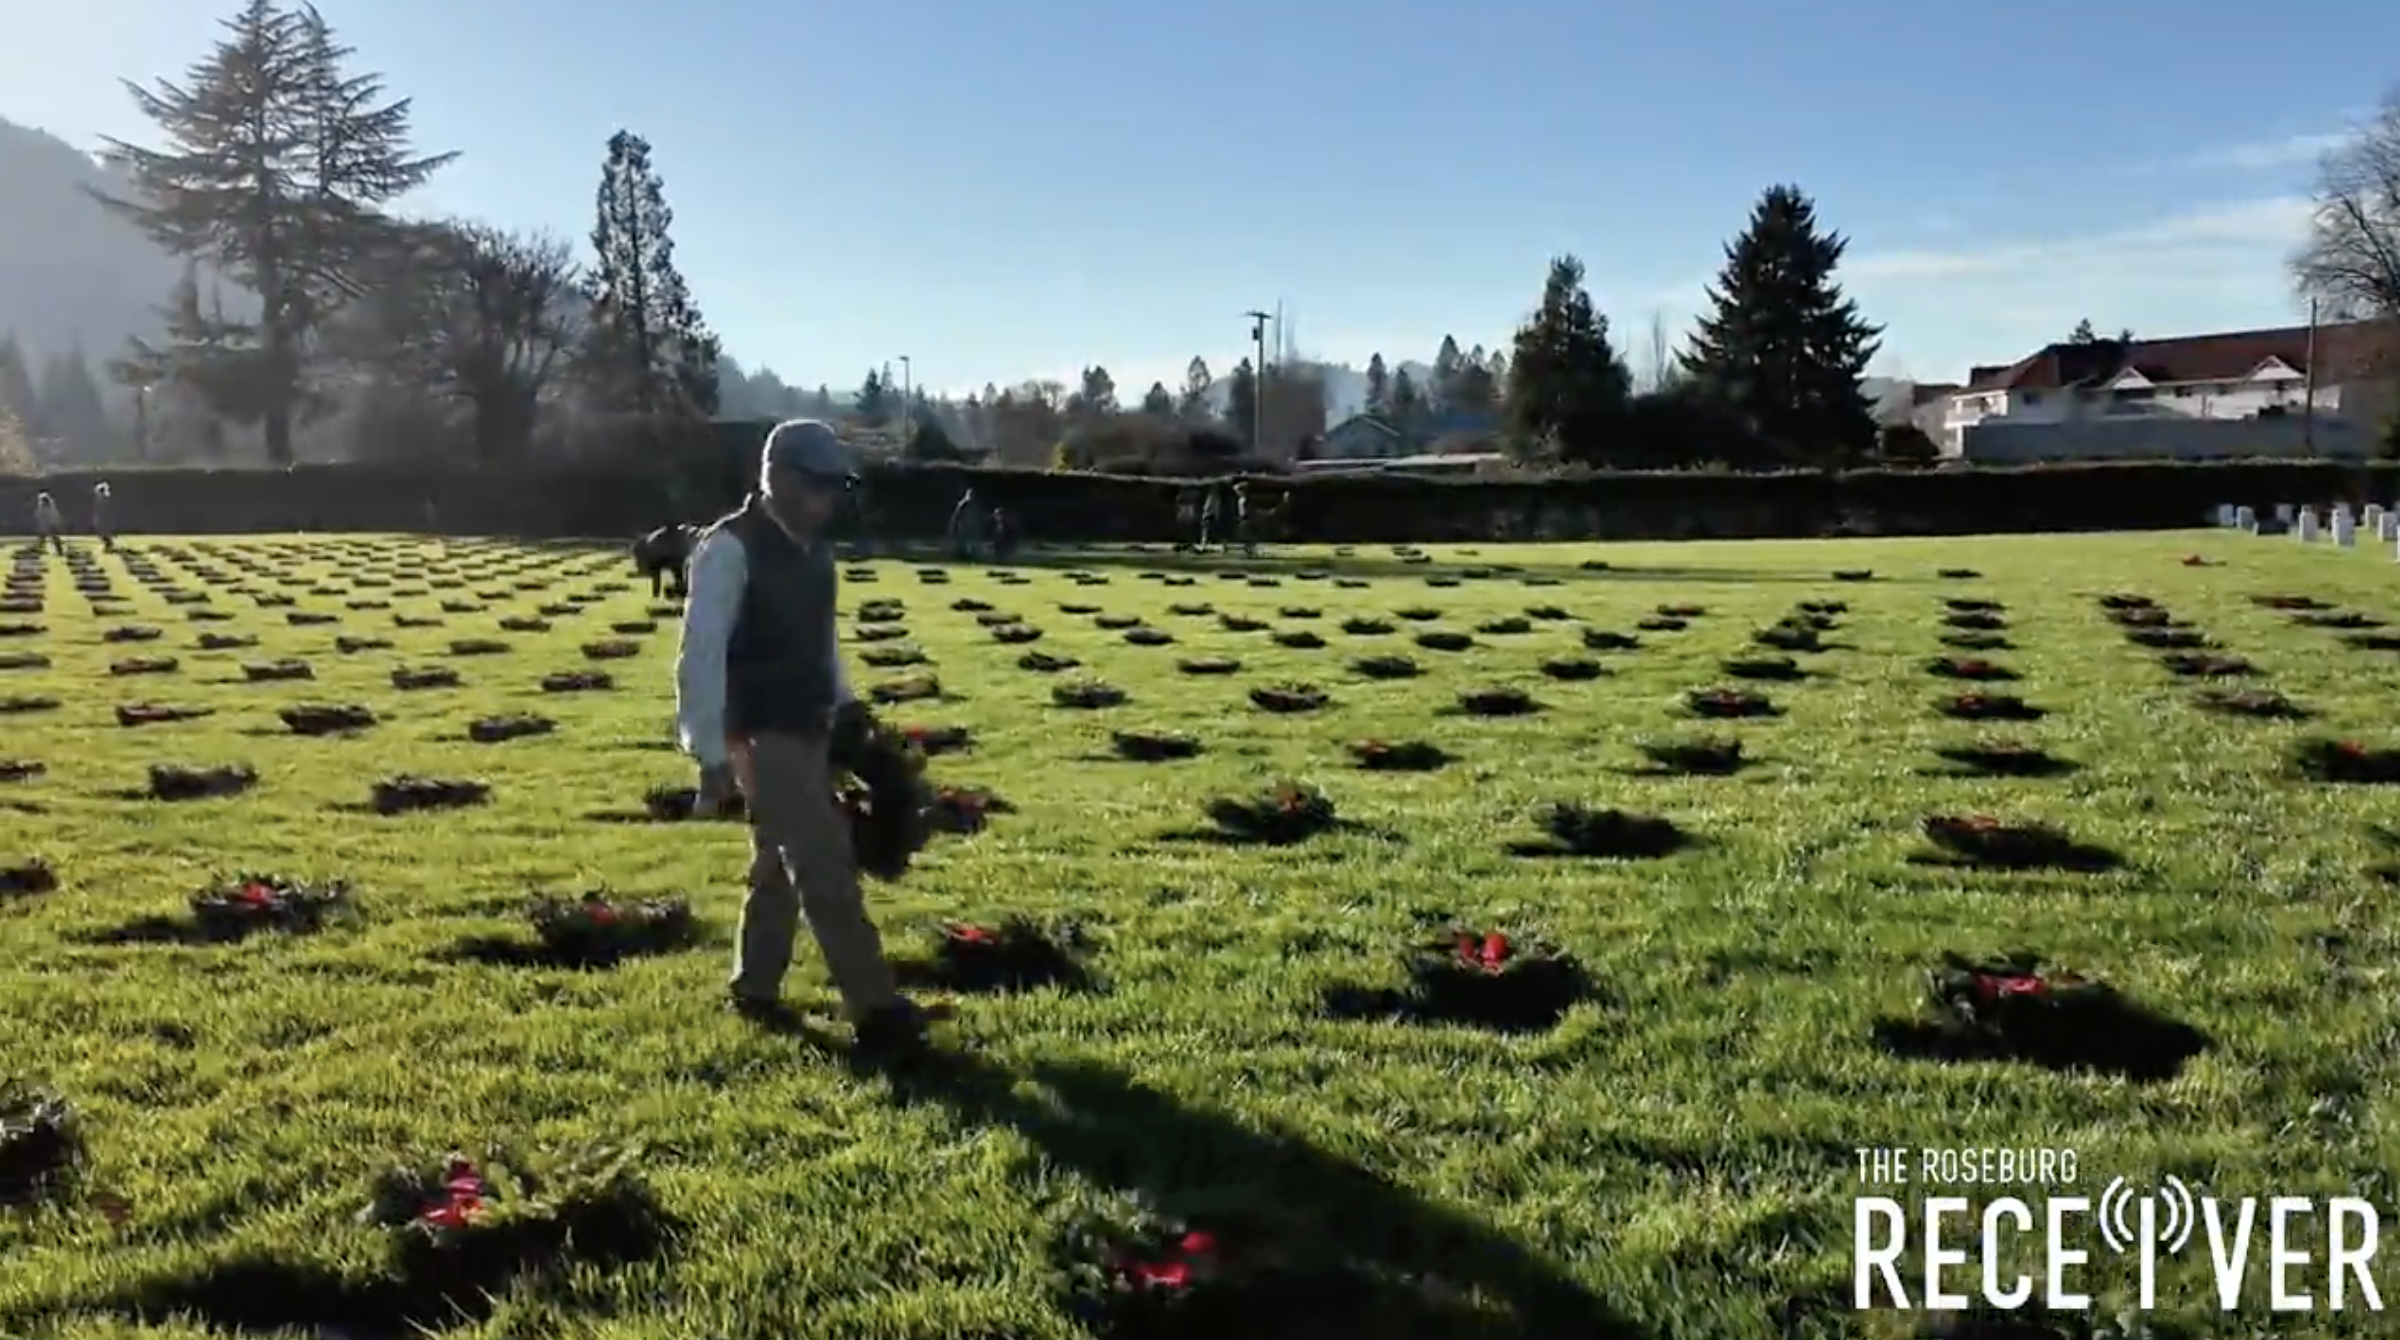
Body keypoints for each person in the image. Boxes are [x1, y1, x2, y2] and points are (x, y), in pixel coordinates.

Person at [675, 419, 932, 1053]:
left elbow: (823, 644)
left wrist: (848, 710)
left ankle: (754, 983)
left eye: (834, 486)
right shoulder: (729, 549)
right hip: (760, 732)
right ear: (779, 478)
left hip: (810, 724)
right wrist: (708, 753)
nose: (827, 498)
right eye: (816, 484)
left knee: (777, 862)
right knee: (824, 862)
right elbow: (700, 655)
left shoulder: (817, 554)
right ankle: (876, 1009)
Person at [91, 481, 113, 550]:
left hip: (103, 518)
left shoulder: (104, 497)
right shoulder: (100, 497)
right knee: (101, 532)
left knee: (104, 532)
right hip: (100, 517)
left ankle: (107, 544)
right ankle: (107, 543)